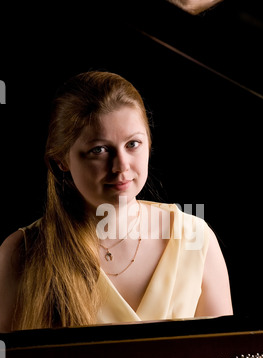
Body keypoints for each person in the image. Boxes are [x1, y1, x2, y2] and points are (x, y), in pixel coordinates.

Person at [0, 71, 233, 332]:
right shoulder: (22, 253)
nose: (121, 166)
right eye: (99, 150)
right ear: (61, 160)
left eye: (133, 144)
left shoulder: (195, 238)